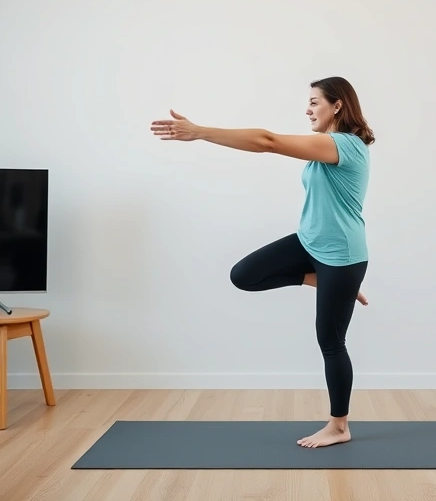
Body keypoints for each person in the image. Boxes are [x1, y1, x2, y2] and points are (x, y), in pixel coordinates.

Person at [151, 76, 373, 448]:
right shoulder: (327, 144)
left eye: (315, 102)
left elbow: (268, 141)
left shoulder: (344, 145)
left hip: (341, 254)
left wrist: (201, 131)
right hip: (310, 242)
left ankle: (339, 426)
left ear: (338, 106)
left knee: (331, 341)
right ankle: (322, 282)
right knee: (244, 274)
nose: (307, 109)